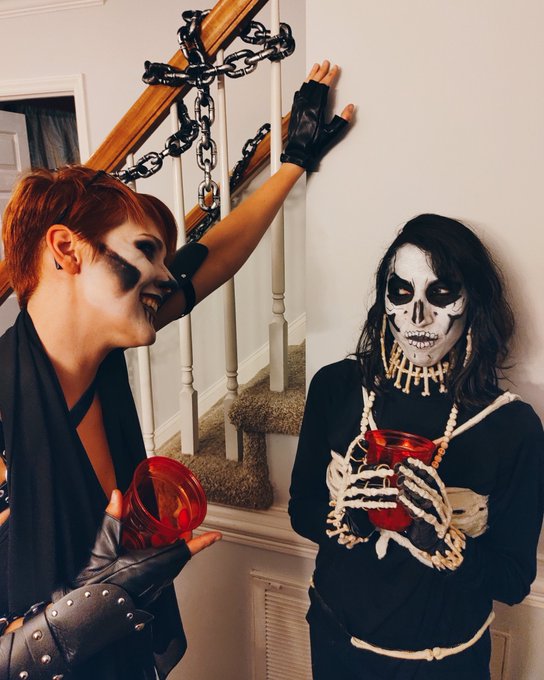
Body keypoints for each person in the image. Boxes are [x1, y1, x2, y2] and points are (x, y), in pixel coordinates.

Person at [0, 62, 353, 679]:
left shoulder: (100, 361)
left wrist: (294, 161)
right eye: (146, 251)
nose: (166, 277)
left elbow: (210, 260)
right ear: (66, 249)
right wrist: (83, 610)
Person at [289, 213, 544, 680]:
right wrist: (347, 519)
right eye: (401, 292)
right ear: (385, 300)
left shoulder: (512, 427)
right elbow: (301, 508)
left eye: (441, 293)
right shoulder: (337, 388)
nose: (417, 316)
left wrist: (445, 540)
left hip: (443, 664)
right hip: (334, 641)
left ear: (473, 301)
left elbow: (512, 581)